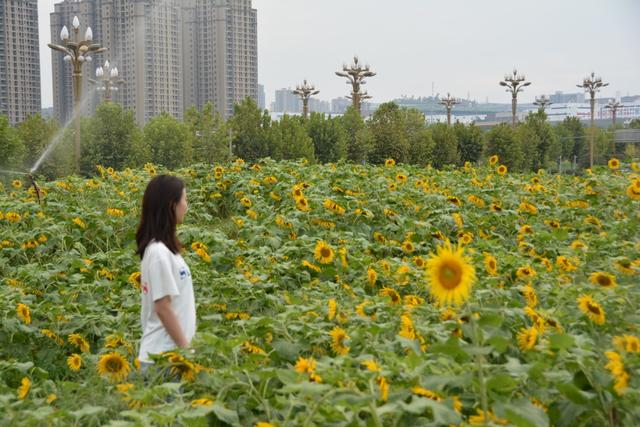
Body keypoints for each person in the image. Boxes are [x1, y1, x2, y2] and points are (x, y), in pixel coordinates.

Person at [135, 175, 196, 372]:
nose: (186, 205)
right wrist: (187, 351)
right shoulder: (159, 253)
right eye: (184, 199)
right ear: (172, 204)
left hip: (168, 357)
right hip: (162, 360)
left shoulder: (164, 250)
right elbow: (163, 307)